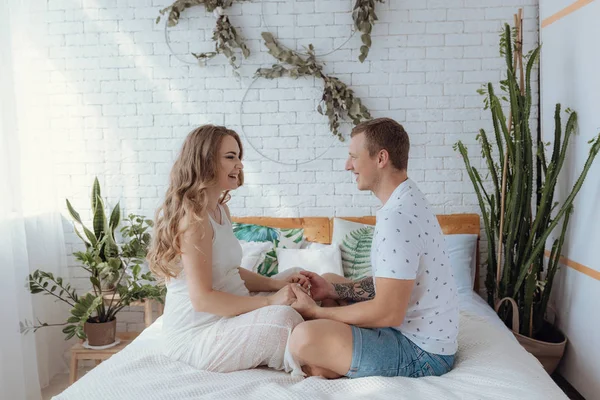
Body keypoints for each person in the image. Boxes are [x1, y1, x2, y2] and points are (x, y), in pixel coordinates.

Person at [288, 117, 460, 379]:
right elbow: (392, 283)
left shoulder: (397, 218)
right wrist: (334, 289)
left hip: (422, 354)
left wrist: (316, 312)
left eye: (353, 157)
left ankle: (327, 361)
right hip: (409, 330)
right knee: (330, 280)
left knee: (303, 337)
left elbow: (388, 312)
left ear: (381, 158)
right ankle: (330, 358)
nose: (348, 166)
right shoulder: (408, 198)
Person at [147, 125, 309, 375]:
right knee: (282, 319)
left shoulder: (220, 210)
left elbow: (228, 271)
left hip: (230, 316)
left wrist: (275, 285)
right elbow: (202, 300)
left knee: (298, 274)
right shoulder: (193, 219)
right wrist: (270, 302)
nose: (239, 165)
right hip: (197, 336)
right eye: (230, 157)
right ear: (206, 161)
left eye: (238, 157)